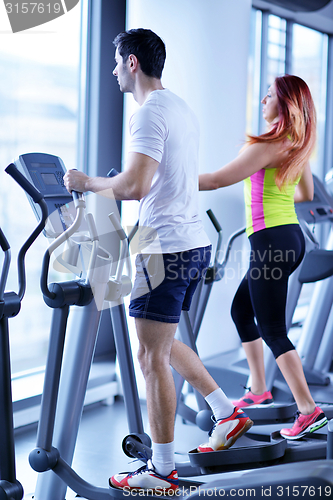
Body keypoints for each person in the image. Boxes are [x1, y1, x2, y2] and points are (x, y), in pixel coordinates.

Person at [64, 28, 253, 494]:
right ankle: (226, 412)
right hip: (190, 242)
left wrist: (85, 181)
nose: (111, 71)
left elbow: (134, 187)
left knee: (150, 356)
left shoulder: (148, 114)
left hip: (163, 246)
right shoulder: (181, 108)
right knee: (162, 345)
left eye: (115, 63)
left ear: (132, 63)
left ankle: (162, 469)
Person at [199, 74, 328, 441]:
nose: (263, 101)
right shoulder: (295, 145)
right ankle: (259, 388)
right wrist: (274, 194)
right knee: (242, 309)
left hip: (272, 240)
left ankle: (308, 410)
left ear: (284, 104)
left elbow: (215, 180)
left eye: (269, 95)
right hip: (285, 236)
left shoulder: (270, 143)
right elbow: (303, 193)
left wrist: (164, 180)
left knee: (272, 329)